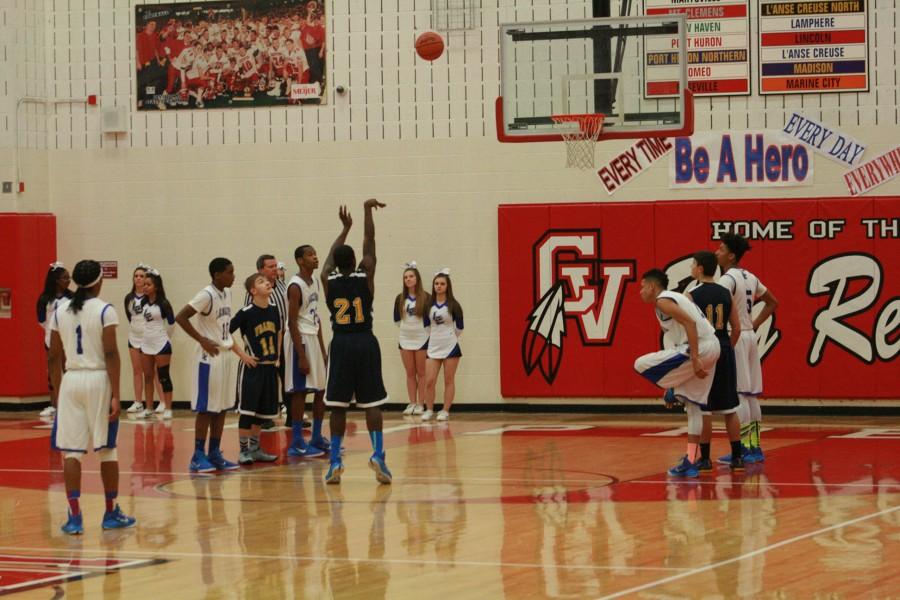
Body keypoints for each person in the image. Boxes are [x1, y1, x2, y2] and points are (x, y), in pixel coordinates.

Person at [49, 260, 136, 534]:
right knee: (107, 450)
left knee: (71, 452)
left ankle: (74, 517)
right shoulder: (105, 310)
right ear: (98, 282)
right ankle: (110, 512)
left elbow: (53, 356)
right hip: (98, 379)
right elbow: (111, 354)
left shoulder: (59, 310)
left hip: (70, 381)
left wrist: (56, 392)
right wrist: (116, 395)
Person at [321, 200, 390, 484]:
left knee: (337, 405)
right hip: (365, 340)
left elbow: (327, 261)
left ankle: (335, 459)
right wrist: (366, 211)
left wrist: (343, 229)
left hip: (341, 342)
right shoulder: (367, 274)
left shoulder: (328, 279)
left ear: (337, 263)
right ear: (356, 262)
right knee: (372, 403)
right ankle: (378, 455)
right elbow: (370, 242)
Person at [633, 268, 720, 478]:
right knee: (694, 407)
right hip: (710, 347)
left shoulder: (663, 300)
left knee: (640, 363)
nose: (640, 291)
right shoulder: (672, 300)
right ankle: (691, 461)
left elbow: (689, 323)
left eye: (643, 286)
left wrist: (696, 357)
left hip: (699, 347)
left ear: (652, 286)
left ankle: (673, 390)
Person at [715, 234, 779, 464]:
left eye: (720, 249)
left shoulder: (727, 280)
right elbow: (773, 301)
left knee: (740, 392)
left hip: (737, 336)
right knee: (751, 394)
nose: (716, 252)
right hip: (750, 336)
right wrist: (756, 323)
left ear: (731, 255)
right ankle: (754, 446)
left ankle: (742, 447)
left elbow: (720, 312)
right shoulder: (750, 276)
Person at [175, 258, 240, 473]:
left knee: (221, 407)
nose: (233, 276)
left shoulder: (227, 293)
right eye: (230, 272)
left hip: (224, 354)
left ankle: (214, 451)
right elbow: (181, 317)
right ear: (217, 274)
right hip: (208, 358)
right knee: (206, 408)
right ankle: (197, 455)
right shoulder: (206, 294)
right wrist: (200, 339)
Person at [685, 251, 744, 472]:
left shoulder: (691, 295)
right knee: (730, 407)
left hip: (705, 352)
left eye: (693, 265)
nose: (691, 268)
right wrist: (727, 347)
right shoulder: (725, 292)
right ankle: (738, 457)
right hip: (724, 347)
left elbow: (689, 327)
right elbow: (736, 327)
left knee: (704, 408)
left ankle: (705, 458)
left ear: (700, 268)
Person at [231, 273, 281, 465]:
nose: (267, 282)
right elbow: (224, 332)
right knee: (248, 412)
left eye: (267, 281)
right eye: (261, 281)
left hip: (269, 368)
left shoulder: (274, 309)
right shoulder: (246, 312)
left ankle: (255, 448)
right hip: (252, 368)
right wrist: (242, 355)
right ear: (253, 291)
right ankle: (243, 451)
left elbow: (279, 331)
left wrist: (277, 355)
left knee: (261, 413)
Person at [284, 244, 329, 458]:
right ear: (300, 260)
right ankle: (296, 441)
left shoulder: (315, 282)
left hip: (313, 336)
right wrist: (300, 354)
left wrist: (322, 349)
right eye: (310, 255)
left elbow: (316, 317)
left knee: (320, 390)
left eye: (315, 253)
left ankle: (317, 436)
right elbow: (291, 322)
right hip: (299, 339)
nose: (315, 257)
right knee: (300, 391)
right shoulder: (295, 285)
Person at [240, 254, 288, 431]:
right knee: (262, 382)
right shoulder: (253, 294)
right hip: (260, 344)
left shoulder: (282, 285)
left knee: (285, 376)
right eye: (270, 266)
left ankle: (286, 411)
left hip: (281, 338)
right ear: (260, 270)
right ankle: (263, 416)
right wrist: (246, 350)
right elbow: (245, 322)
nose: (274, 269)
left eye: (275, 266)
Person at [422, 269, 463, 422]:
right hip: (433, 346)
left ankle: (445, 410)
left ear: (447, 286)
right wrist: (436, 337)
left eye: (442, 284)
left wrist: (448, 337)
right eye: (436, 284)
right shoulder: (428, 305)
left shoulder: (454, 305)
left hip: (450, 346)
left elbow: (460, 328)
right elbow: (426, 326)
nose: (439, 286)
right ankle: (429, 409)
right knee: (430, 380)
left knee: (448, 379)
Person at [36, 262, 73, 417]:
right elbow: (41, 319)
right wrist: (51, 332)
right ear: (57, 280)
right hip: (51, 337)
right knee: (52, 371)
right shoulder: (45, 298)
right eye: (65, 278)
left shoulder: (72, 297)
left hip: (68, 337)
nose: (68, 280)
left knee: (68, 370)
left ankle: (71, 403)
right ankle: (55, 404)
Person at [139, 268, 175, 420]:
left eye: (148, 284)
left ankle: (168, 408)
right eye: (144, 284)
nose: (145, 287)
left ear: (156, 287)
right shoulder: (143, 302)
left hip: (161, 343)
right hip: (146, 343)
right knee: (147, 376)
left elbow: (172, 323)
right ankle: (148, 408)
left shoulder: (164, 303)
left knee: (164, 376)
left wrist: (165, 337)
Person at [394, 262, 429, 417]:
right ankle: (412, 402)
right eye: (405, 277)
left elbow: (429, 320)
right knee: (409, 372)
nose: (408, 279)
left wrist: (421, 331)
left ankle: (421, 404)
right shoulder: (400, 298)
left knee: (421, 373)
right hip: (405, 338)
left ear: (417, 278)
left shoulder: (426, 297)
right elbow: (396, 320)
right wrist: (407, 330)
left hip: (422, 338)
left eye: (411, 276)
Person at [124, 265, 151, 414]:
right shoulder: (129, 298)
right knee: (137, 370)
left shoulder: (150, 297)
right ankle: (138, 402)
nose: (139, 278)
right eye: (136, 276)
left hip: (148, 337)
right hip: (134, 337)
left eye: (142, 276)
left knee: (152, 371)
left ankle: (157, 403)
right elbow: (130, 317)